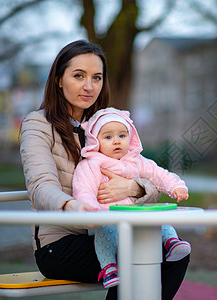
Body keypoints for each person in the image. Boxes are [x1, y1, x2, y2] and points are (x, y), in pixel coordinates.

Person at [20, 39, 189, 300]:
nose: (89, 86)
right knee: (141, 255)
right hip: (60, 244)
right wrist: (73, 207)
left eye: (96, 78)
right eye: (79, 75)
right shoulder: (38, 124)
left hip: (110, 229)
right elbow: (40, 185)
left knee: (175, 253)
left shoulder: (106, 125)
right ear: (59, 80)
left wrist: (135, 187)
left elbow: (144, 170)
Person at [72, 107, 191, 288]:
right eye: (108, 137)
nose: (117, 141)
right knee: (105, 234)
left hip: (136, 216)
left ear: (131, 137)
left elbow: (158, 174)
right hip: (106, 217)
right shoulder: (91, 164)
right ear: (95, 141)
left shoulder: (137, 161)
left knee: (159, 219)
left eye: (122, 135)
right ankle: (109, 267)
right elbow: (83, 189)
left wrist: (176, 186)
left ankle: (171, 242)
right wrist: (90, 210)